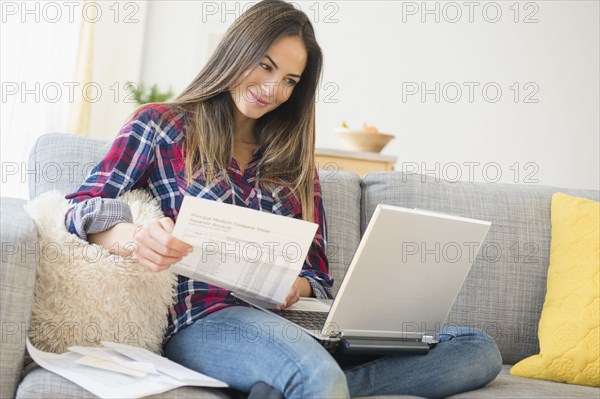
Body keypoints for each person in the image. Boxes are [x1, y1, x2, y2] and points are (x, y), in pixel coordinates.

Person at [64, 0, 503, 397]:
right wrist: (135, 235)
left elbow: (318, 272)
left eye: (290, 80)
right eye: (265, 65)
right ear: (235, 52)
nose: (273, 89)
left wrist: (298, 286)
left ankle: (315, 387)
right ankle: (318, 384)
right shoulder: (160, 125)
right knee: (318, 378)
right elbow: (80, 205)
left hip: (291, 321)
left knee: (477, 349)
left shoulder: (292, 160)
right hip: (207, 321)